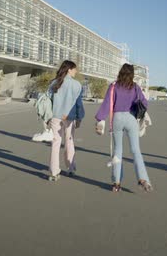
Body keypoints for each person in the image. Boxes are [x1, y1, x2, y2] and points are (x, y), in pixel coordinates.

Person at [95, 64, 153, 193]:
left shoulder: (114, 86)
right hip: (131, 118)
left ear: (120, 72)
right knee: (136, 150)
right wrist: (134, 109)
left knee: (118, 151)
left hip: (117, 118)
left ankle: (116, 182)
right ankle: (143, 179)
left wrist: (100, 119)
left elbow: (107, 104)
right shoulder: (135, 87)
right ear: (132, 74)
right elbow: (144, 103)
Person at [46, 60, 85, 181]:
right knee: (69, 142)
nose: (76, 71)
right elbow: (79, 103)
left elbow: (48, 101)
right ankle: (71, 168)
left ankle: (54, 171)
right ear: (69, 69)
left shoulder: (54, 83)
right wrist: (79, 118)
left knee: (55, 142)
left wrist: (47, 118)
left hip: (55, 116)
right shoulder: (77, 85)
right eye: (75, 69)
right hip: (69, 117)